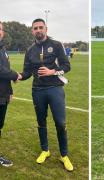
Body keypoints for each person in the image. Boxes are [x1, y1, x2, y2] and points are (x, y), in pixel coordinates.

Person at [19, 18, 73, 171]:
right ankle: (45, 150)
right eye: (35, 28)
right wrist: (17, 76)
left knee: (60, 123)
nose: (38, 30)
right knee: (41, 122)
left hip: (55, 88)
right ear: (32, 31)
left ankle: (64, 155)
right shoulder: (30, 50)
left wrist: (52, 71)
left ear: (46, 29)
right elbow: (27, 72)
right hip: (37, 91)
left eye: (41, 27)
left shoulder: (56, 45)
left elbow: (67, 66)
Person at [0, 21, 20, 167]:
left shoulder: (3, 49)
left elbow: (5, 71)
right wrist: (15, 75)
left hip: (2, 94)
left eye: (0, 29)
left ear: (3, 33)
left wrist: (10, 91)